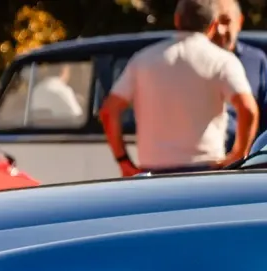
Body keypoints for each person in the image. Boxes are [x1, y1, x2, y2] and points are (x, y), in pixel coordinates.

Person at [101, 0, 258, 176]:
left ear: (177, 20)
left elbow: (109, 111)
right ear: (213, 24)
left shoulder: (143, 59)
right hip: (206, 171)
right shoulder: (223, 61)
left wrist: (123, 161)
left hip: (153, 173)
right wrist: (238, 154)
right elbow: (248, 109)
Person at [212, 0, 267, 157]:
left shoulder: (256, 60)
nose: (219, 30)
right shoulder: (189, 60)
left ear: (239, 21)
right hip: (198, 161)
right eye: (213, 23)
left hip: (246, 161)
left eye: (226, 21)